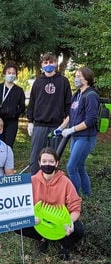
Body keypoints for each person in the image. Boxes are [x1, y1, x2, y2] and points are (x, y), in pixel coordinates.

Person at [16, 147, 84, 260]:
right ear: (39, 163)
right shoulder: (32, 181)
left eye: (51, 161)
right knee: (18, 224)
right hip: (39, 220)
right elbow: (23, 205)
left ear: (56, 163)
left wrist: (70, 222)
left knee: (78, 230)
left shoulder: (65, 182)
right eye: (44, 161)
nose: (47, 164)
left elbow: (75, 206)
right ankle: (42, 239)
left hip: (59, 221)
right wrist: (30, 217)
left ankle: (64, 245)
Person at [55, 67, 99, 196]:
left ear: (87, 78)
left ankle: (74, 197)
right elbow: (71, 115)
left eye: (79, 76)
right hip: (76, 136)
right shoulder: (77, 94)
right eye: (75, 75)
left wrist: (71, 129)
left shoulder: (91, 95)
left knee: (71, 167)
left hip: (86, 137)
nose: (76, 78)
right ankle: (86, 193)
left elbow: (91, 120)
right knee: (79, 166)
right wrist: (61, 128)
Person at [27, 53, 72, 175]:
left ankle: (52, 184)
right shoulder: (37, 82)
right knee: (35, 156)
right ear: (42, 65)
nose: (48, 65)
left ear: (56, 63)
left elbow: (69, 105)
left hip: (57, 126)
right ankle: (35, 182)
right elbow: (32, 103)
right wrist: (30, 122)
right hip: (39, 125)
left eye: (51, 62)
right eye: (46, 63)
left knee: (54, 157)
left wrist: (64, 125)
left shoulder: (63, 81)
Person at [0, 61, 26, 148]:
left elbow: (22, 107)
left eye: (13, 73)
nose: (11, 75)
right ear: (4, 73)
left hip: (12, 121)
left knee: (8, 145)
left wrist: (14, 113)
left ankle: (7, 160)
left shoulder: (19, 90)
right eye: (9, 73)